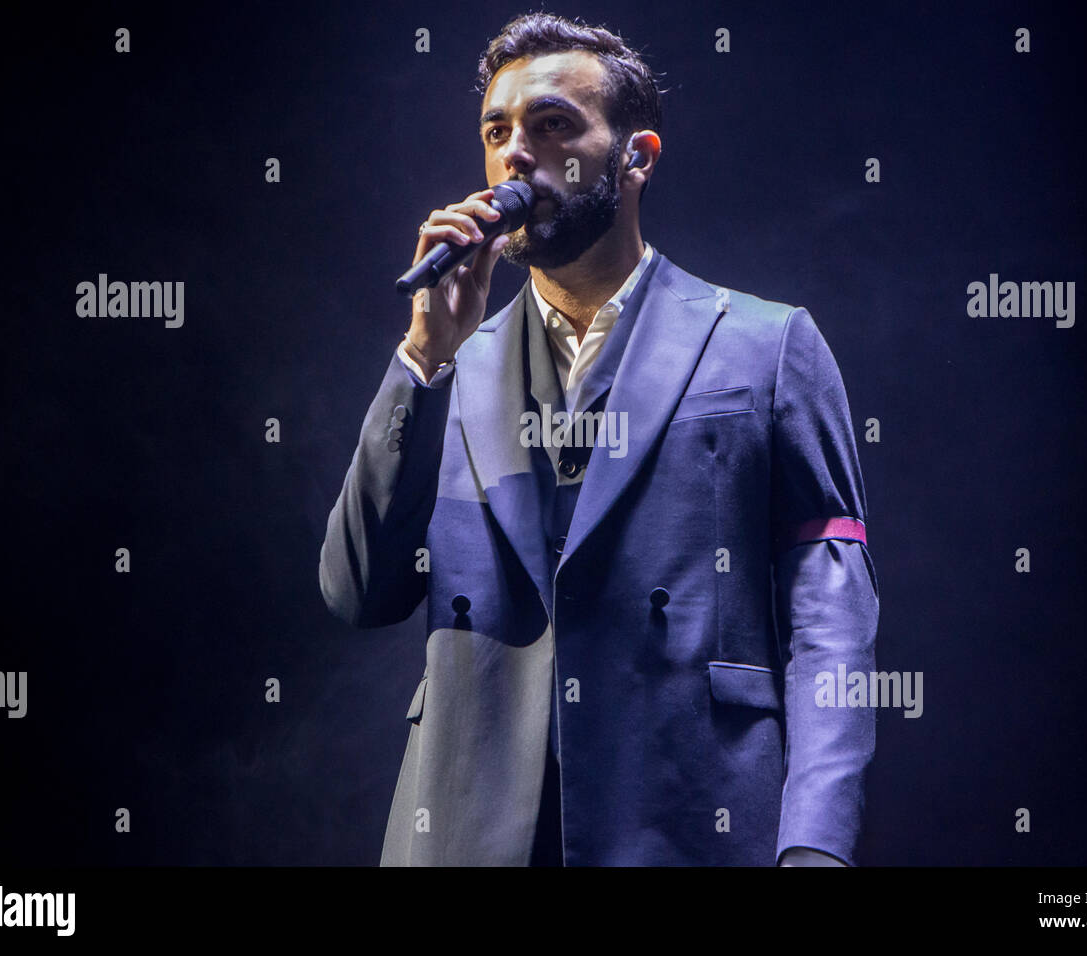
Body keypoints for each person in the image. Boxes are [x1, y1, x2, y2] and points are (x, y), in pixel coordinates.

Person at [319, 12, 878, 866]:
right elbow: (359, 592)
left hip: (691, 823)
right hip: (466, 832)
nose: (514, 154)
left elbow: (831, 621)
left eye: (552, 126)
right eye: (496, 131)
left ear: (636, 157)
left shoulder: (768, 346)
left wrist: (816, 844)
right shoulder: (448, 368)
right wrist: (423, 356)